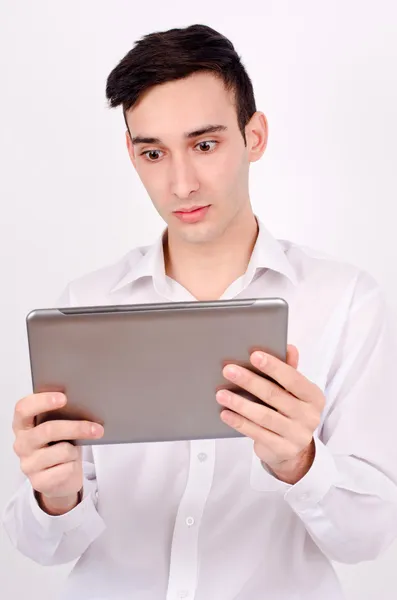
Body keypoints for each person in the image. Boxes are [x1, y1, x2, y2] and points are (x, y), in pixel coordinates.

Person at [3, 23, 397, 600]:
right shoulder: (86, 304)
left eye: (205, 144)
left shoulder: (345, 301)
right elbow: (39, 548)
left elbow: (370, 540)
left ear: (254, 136)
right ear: (131, 155)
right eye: (153, 152)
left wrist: (302, 463)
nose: (181, 183)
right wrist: (53, 498)